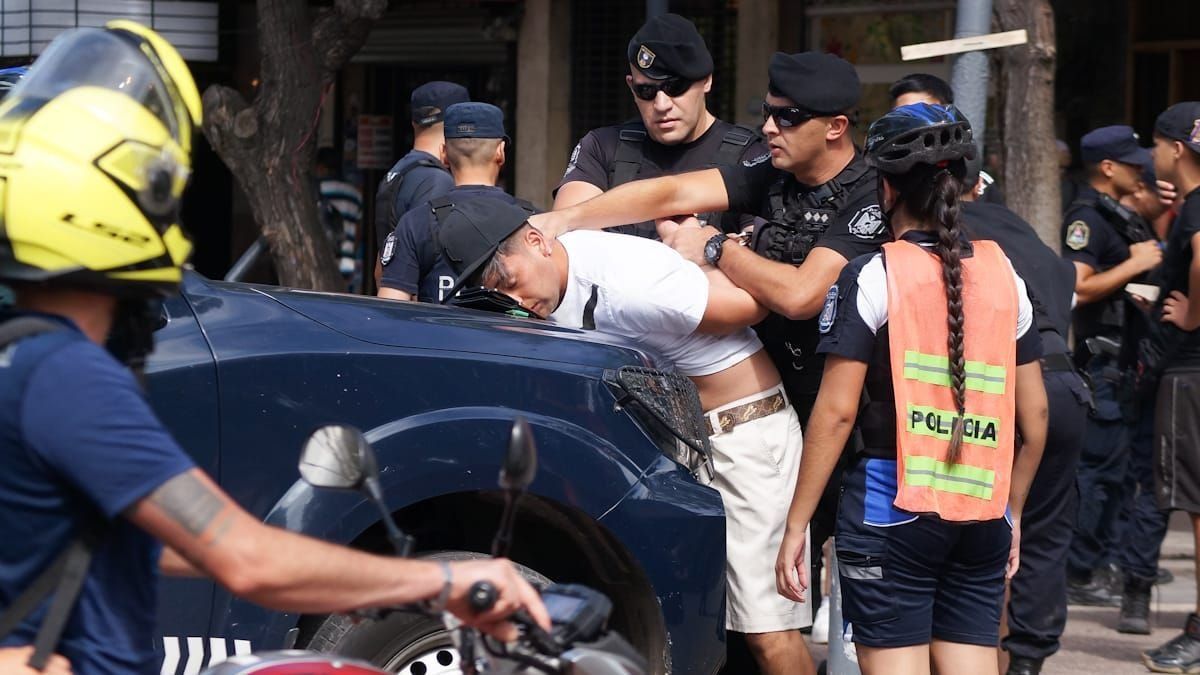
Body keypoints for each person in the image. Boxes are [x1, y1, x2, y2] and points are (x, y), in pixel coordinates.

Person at [0, 23, 548, 675]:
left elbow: (162, 538)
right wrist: (446, 581)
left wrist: (342, 576)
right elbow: (244, 557)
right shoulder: (69, 378)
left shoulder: (24, 360)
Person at [533, 51, 881, 649]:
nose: (769, 128)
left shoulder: (867, 191)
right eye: (768, 113)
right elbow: (667, 191)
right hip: (766, 406)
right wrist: (564, 222)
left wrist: (717, 246)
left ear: (835, 127)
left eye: (787, 117)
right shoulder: (770, 166)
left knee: (834, 610)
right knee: (747, 605)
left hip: (843, 418)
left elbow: (799, 296)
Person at [433, 195, 817, 675]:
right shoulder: (550, 285)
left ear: (537, 242)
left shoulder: (629, 287)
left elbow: (751, 307)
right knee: (710, 620)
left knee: (766, 630)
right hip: (683, 444)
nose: (516, 302)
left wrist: (709, 248)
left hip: (744, 433)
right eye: (498, 294)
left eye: (511, 281)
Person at [775, 103, 1048, 675]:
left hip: (890, 508)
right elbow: (1035, 420)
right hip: (982, 508)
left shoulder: (874, 275)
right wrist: (1013, 514)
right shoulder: (1006, 276)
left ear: (886, 189)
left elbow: (836, 415)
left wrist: (797, 523)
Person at [958, 156, 1089, 675]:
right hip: (1066, 385)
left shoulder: (945, 233)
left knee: (981, 529)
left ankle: (975, 648)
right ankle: (1027, 661)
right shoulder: (1018, 227)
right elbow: (1066, 284)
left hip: (1006, 385)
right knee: (1044, 532)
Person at [1062, 125, 1163, 607]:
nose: (1141, 169)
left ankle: (1104, 560)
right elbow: (1079, 286)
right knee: (1096, 471)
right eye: (1131, 163)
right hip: (1102, 358)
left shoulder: (1121, 215)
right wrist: (1134, 264)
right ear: (1108, 168)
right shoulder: (1086, 217)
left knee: (1120, 472)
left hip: (1128, 359)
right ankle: (1080, 571)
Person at [554, 13, 764, 238]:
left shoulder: (751, 156)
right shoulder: (602, 147)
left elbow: (758, 259)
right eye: (646, 91)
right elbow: (570, 239)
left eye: (675, 87)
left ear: (706, 80)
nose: (661, 104)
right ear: (631, 86)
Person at [1141, 101, 1200, 673]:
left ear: (1176, 149)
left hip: (1191, 372)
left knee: (1197, 505)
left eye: (1156, 145)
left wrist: (1189, 315)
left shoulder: (1198, 205)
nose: (1152, 155)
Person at [378, 102, 525, 303]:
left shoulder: (415, 223)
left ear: (444, 154)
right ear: (500, 152)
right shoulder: (531, 222)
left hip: (434, 335)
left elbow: (391, 308)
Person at [372, 81, 469, 283]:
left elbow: (383, 262)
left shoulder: (400, 170)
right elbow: (424, 262)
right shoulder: (436, 180)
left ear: (414, 122)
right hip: (418, 306)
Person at [886, 72, 1005, 206]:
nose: (914, 124)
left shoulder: (974, 181)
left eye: (925, 114)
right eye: (903, 116)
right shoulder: (879, 175)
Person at [316, 146, 364, 292]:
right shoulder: (355, 194)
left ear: (321, 167)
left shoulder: (317, 189)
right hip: (347, 264)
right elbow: (358, 232)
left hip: (321, 262)